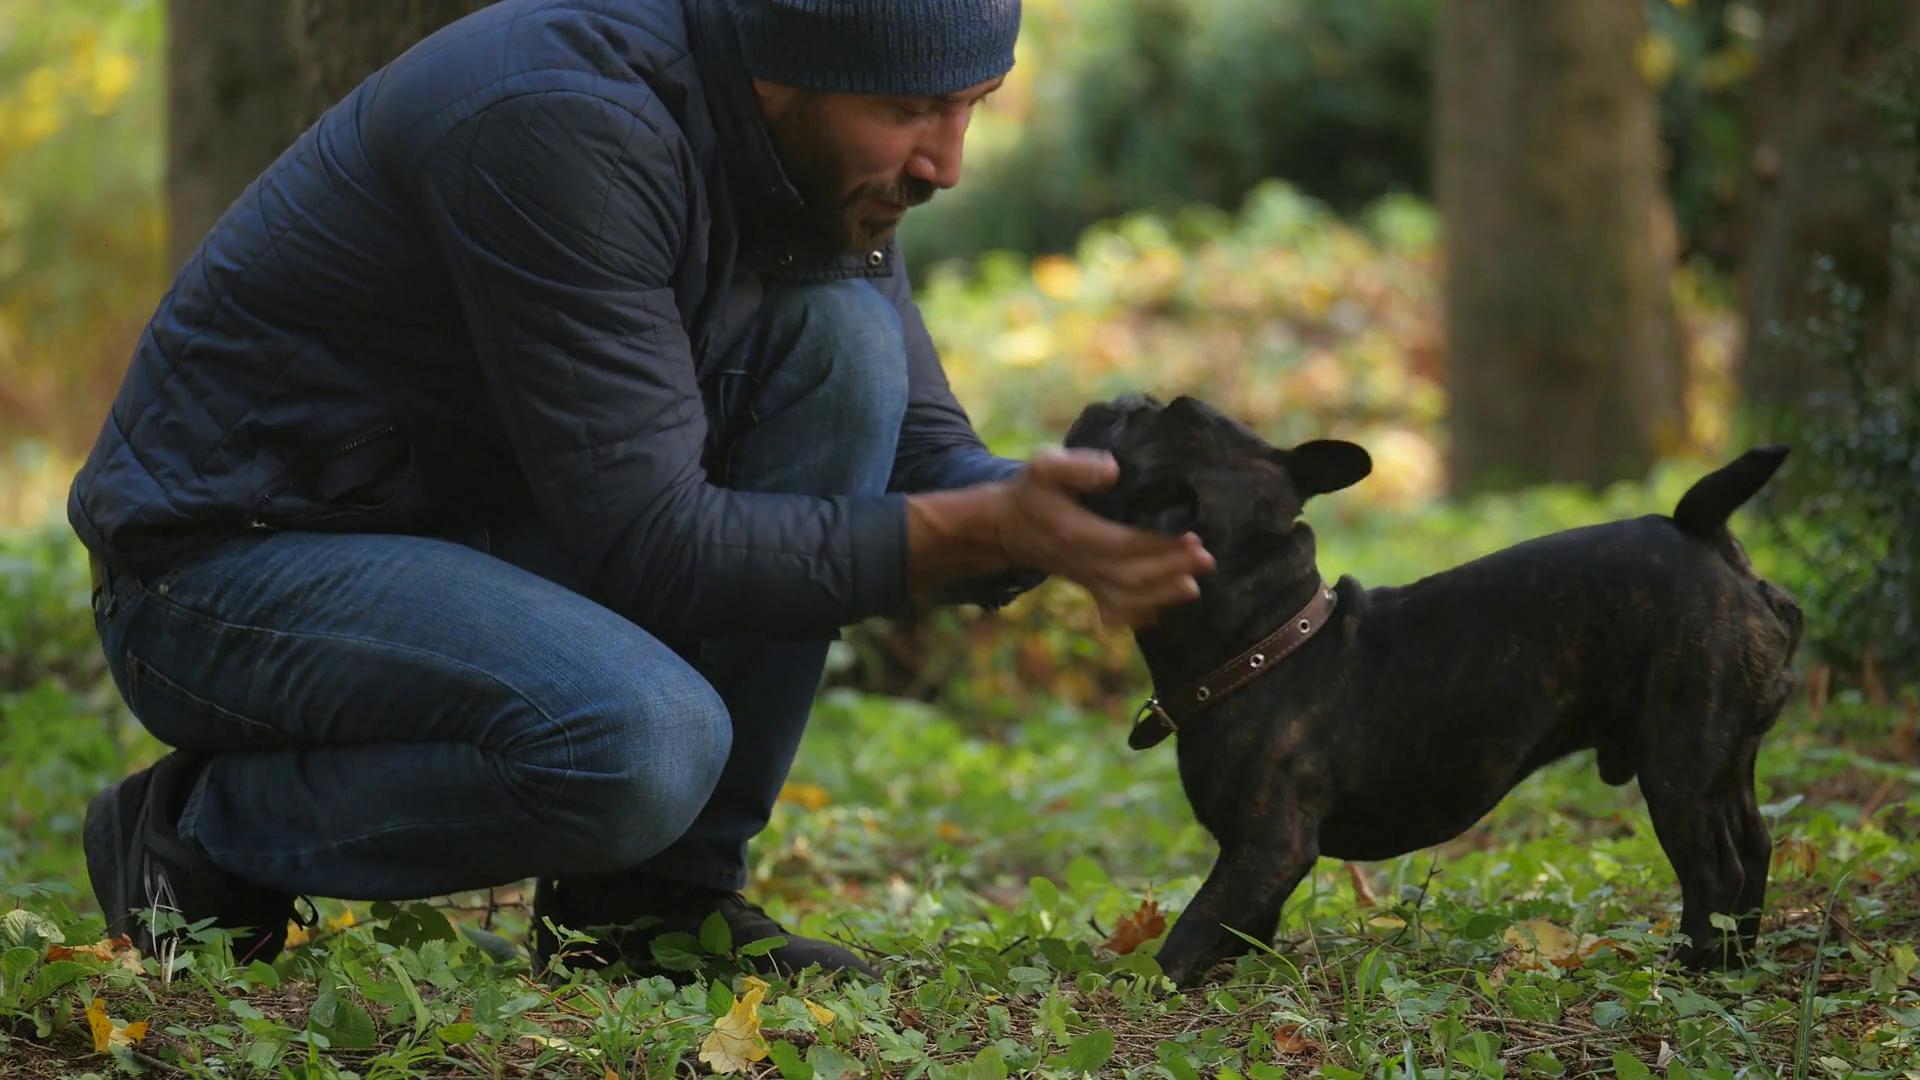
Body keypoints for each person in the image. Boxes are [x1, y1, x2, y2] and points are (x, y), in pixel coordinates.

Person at [71, 0, 1213, 979]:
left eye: (973, 102)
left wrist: (1076, 508)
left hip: (472, 535)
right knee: (637, 746)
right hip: (226, 569)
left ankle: (650, 906)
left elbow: (919, 450)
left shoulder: (804, 146)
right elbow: (658, 546)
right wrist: (976, 528)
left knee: (844, 339)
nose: (946, 161)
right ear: (786, 74)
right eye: (910, 111)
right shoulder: (561, 121)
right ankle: (196, 836)